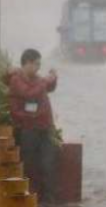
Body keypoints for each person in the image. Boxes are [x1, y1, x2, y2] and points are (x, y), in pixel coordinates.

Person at [7, 49, 58, 203]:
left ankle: (49, 201)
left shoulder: (37, 79)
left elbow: (49, 87)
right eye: (36, 64)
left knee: (48, 164)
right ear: (27, 63)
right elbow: (30, 93)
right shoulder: (16, 80)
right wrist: (45, 81)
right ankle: (31, 200)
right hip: (28, 129)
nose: (38, 67)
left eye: (39, 64)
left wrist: (53, 77)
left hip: (45, 127)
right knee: (30, 165)